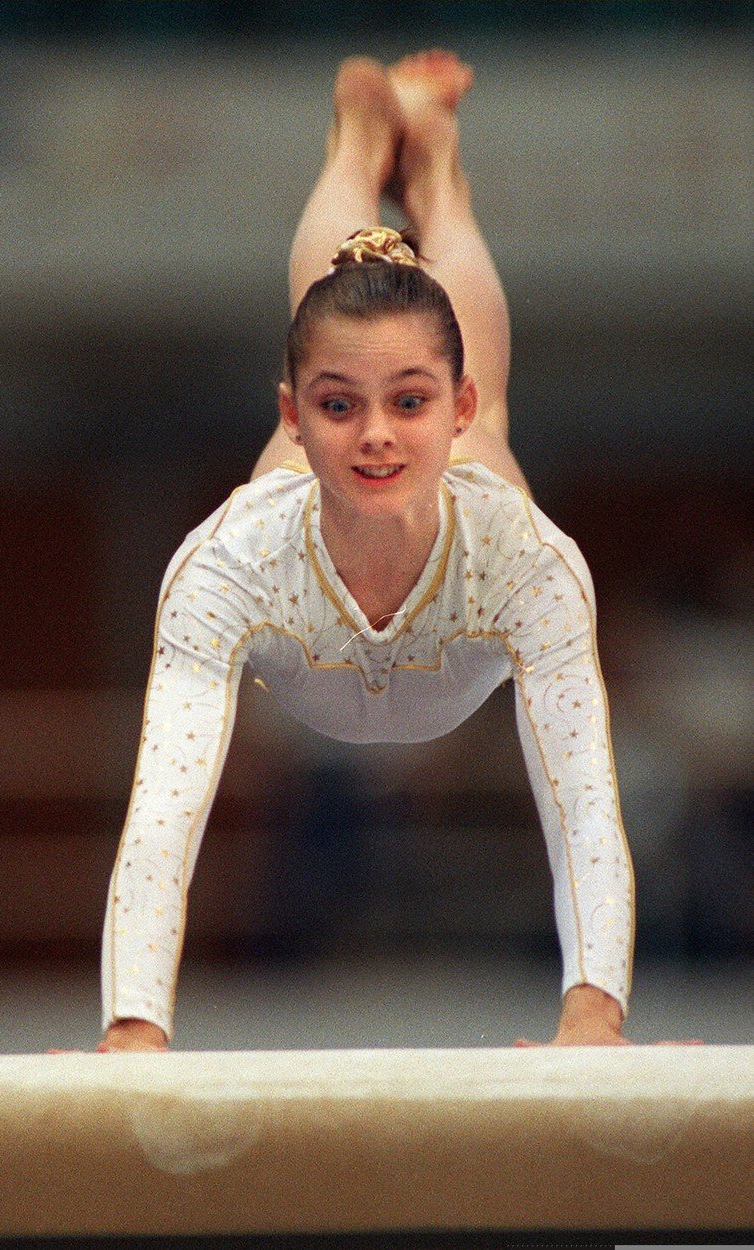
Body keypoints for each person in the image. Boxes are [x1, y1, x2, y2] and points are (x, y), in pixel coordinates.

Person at [95, 51, 690, 1053]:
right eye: (334, 407)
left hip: (471, 526)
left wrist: (591, 1012)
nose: (374, 433)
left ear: (446, 410)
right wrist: (134, 1024)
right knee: (342, 317)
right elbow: (164, 813)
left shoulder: (526, 560)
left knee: (449, 365)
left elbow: (582, 802)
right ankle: (358, 142)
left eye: (411, 402)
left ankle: (435, 169)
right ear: (291, 414)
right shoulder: (226, 563)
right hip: (293, 527)